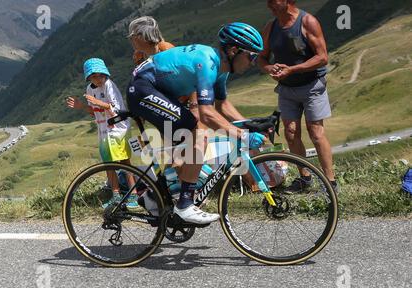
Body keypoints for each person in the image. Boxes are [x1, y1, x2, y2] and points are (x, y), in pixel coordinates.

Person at [126, 22, 267, 224]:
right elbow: (207, 113)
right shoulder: (207, 63)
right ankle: (185, 204)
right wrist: (242, 136)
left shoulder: (221, 69)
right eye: (252, 56)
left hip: (155, 90)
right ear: (234, 50)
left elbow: (223, 106)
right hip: (142, 89)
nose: (253, 62)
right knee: (199, 133)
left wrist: (252, 125)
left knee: (186, 152)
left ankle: (153, 198)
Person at [258, 0, 338, 193]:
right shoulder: (271, 26)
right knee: (291, 133)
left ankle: (330, 182)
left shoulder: (307, 21)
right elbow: (261, 57)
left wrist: (292, 69)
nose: (269, 5)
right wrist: (269, 67)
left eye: (273, 1)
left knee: (316, 133)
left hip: (312, 86)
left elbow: (322, 57)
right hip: (287, 88)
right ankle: (305, 178)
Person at [66, 58, 140, 209]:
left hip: (118, 129)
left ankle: (134, 195)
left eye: (101, 75)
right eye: (94, 76)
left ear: (105, 74)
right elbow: (94, 112)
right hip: (103, 131)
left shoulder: (109, 85)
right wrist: (81, 106)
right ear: (89, 77)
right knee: (108, 164)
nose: (98, 79)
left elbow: (112, 106)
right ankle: (116, 196)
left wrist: (96, 101)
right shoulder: (89, 89)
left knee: (124, 161)